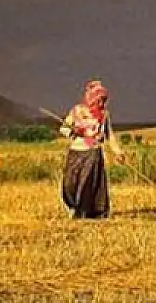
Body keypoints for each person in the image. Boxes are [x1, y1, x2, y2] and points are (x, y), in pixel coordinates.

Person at [59, 79, 125, 219]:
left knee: (86, 184)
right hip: (75, 152)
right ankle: (72, 205)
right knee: (69, 184)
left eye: (103, 100)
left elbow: (110, 136)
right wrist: (74, 132)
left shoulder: (104, 115)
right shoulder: (76, 111)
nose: (101, 103)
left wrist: (118, 152)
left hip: (93, 153)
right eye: (99, 100)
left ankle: (82, 212)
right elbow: (64, 128)